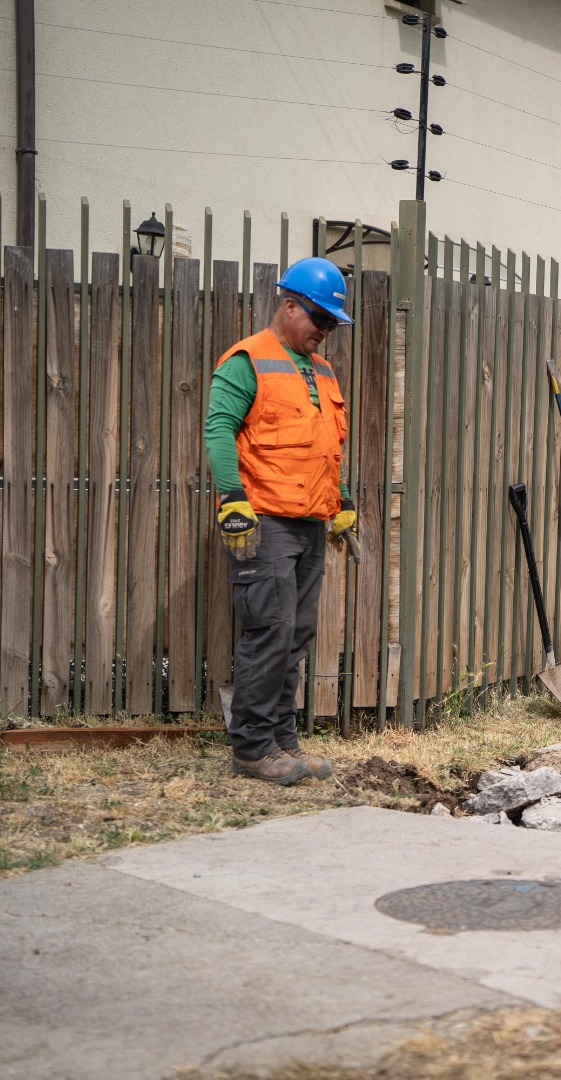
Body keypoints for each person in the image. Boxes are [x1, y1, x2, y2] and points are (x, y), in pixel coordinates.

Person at [203, 257, 356, 785]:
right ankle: (250, 748)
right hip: (263, 521)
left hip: (312, 520)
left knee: (296, 634)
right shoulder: (248, 360)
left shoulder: (322, 371)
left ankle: (281, 740)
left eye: (333, 324)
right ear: (289, 305)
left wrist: (343, 500)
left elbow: (324, 446)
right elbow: (219, 430)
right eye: (320, 318)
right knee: (270, 630)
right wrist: (232, 498)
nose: (325, 331)